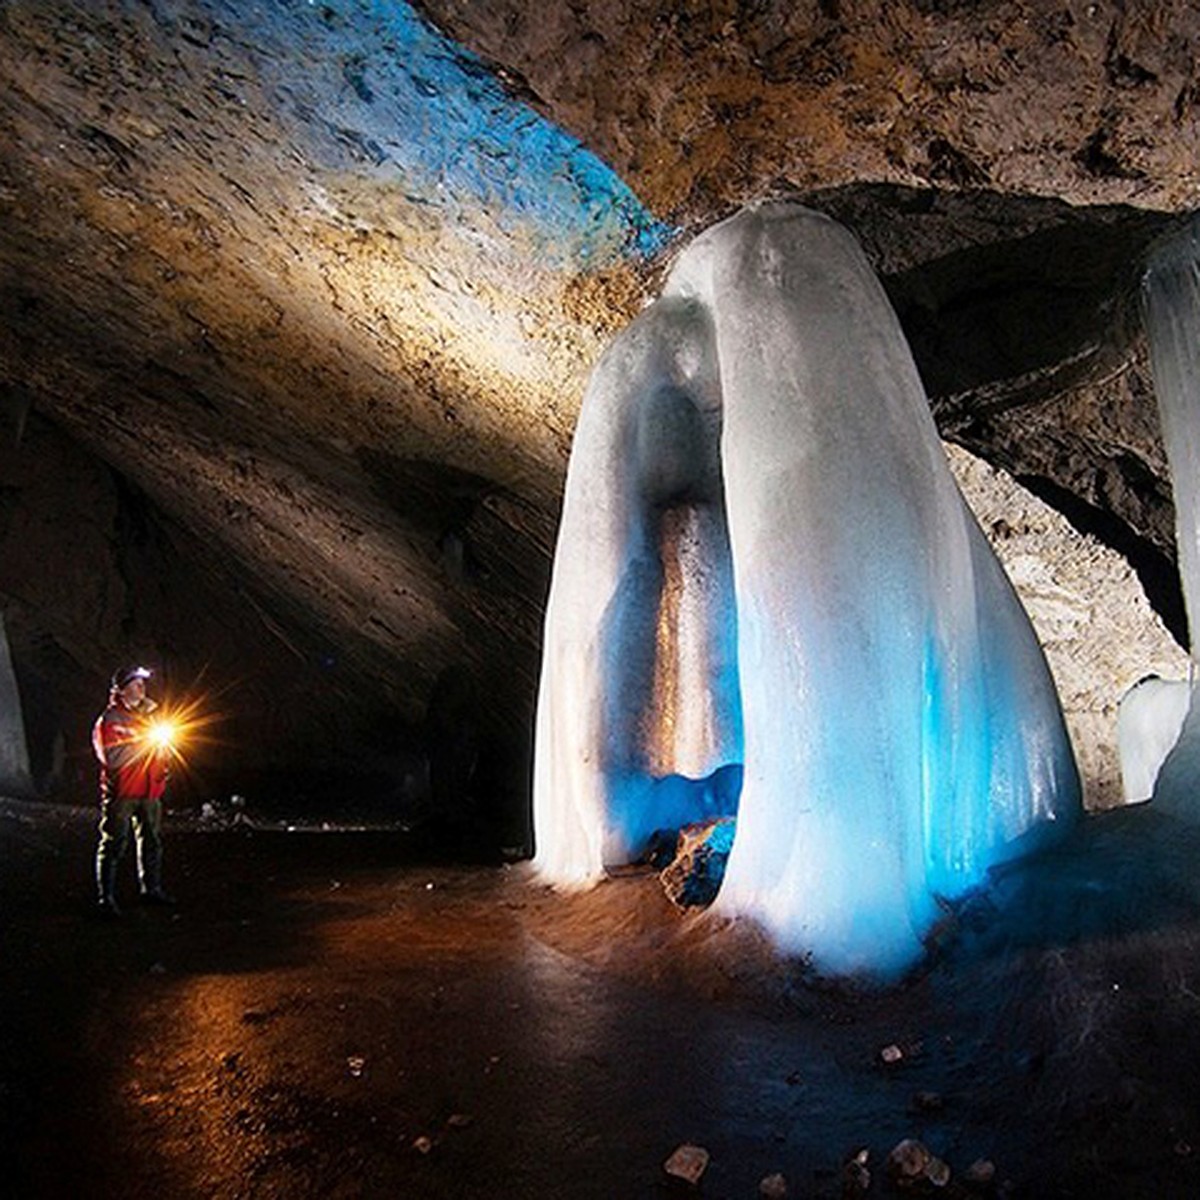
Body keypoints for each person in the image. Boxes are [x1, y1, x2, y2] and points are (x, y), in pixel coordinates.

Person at [92, 664, 174, 915]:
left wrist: (164, 761)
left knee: (152, 841)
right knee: (115, 843)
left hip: (150, 790)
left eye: (143, 684)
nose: (142, 689)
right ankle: (106, 897)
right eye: (137, 684)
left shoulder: (150, 716)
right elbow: (114, 758)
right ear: (123, 689)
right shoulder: (110, 719)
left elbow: (164, 748)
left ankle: (151, 889)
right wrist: (147, 743)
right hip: (123, 792)